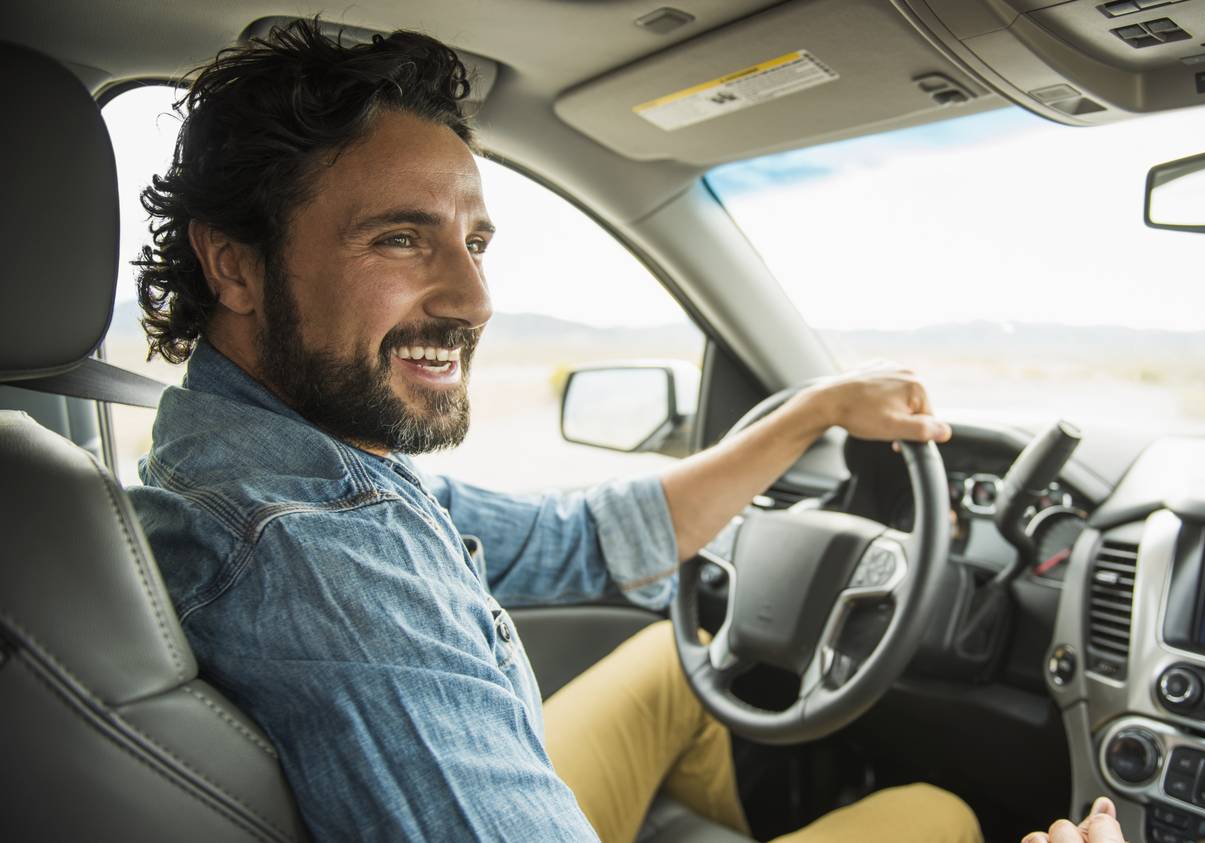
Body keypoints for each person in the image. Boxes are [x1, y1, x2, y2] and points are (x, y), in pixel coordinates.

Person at [124, 18, 992, 843]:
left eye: (475, 243)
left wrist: (817, 409)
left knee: (669, 660)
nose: (474, 301)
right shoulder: (326, 554)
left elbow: (573, 539)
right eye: (398, 239)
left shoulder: (264, 454)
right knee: (933, 814)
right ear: (234, 263)